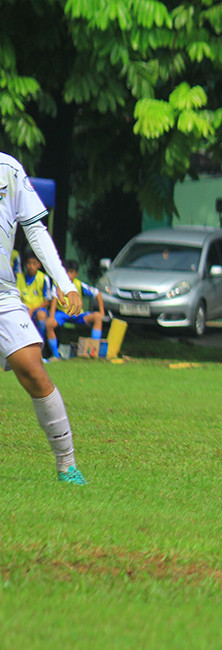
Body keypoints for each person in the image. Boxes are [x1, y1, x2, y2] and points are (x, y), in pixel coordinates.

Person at [0, 152, 86, 484]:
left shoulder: (8, 168)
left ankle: (68, 466)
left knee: (34, 371)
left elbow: (35, 230)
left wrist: (65, 284)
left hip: (4, 293)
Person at [44, 259, 105, 360]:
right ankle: (56, 355)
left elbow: (97, 293)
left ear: (76, 274)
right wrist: (51, 317)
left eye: (71, 272)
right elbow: (54, 300)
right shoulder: (58, 284)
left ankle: (93, 352)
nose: (68, 275)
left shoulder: (79, 284)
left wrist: (102, 311)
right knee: (49, 324)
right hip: (62, 314)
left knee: (98, 317)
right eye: (66, 272)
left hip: (78, 314)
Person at [16, 247, 54, 338]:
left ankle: (40, 343)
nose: (31, 266)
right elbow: (17, 297)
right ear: (25, 264)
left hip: (38, 308)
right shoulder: (19, 277)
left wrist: (32, 309)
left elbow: (47, 301)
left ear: (39, 265)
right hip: (24, 307)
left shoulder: (44, 278)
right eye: (29, 263)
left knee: (41, 316)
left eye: (34, 264)